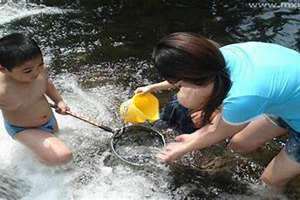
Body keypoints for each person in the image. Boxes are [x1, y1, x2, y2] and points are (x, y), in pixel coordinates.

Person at [140, 32, 300, 192]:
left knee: (269, 182)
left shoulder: (242, 97)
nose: (179, 85)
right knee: (239, 144)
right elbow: (188, 76)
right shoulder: (218, 57)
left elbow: (217, 131)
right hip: (288, 100)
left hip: (287, 103)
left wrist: (182, 147)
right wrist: (155, 87)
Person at [0, 33, 73, 166]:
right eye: (27, 71)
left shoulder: (40, 71)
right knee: (63, 156)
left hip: (49, 121)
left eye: (40, 64)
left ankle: (42, 159)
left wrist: (59, 101)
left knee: (56, 147)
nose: (36, 72)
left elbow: (47, 85)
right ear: (3, 69)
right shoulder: (2, 91)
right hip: (22, 129)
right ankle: (34, 172)